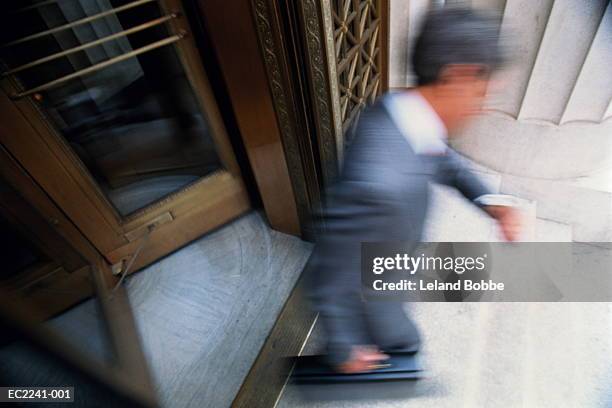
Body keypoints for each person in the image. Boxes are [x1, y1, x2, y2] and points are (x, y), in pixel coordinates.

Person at [307, 7, 522, 374]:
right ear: (457, 76)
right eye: (482, 93)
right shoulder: (378, 186)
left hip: (394, 260)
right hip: (378, 287)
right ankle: (394, 359)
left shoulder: (398, 112)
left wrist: (492, 203)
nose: (482, 108)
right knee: (402, 341)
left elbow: (443, 161)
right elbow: (328, 273)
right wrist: (343, 350)